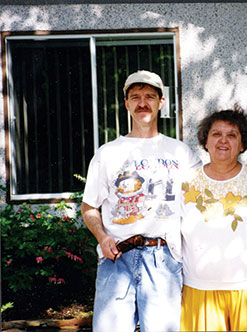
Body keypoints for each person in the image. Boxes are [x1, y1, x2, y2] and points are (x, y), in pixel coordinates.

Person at [81, 70, 201, 332]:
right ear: (126, 104)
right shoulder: (108, 153)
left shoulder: (180, 152)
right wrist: (102, 237)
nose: (142, 103)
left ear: (161, 102)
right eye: (135, 97)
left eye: (149, 96)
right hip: (116, 259)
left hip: (163, 260)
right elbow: (89, 206)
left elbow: (200, 202)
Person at [180, 107, 247, 331]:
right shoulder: (184, 182)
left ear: (242, 144)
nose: (223, 141)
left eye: (232, 135)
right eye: (216, 134)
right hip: (198, 290)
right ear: (205, 141)